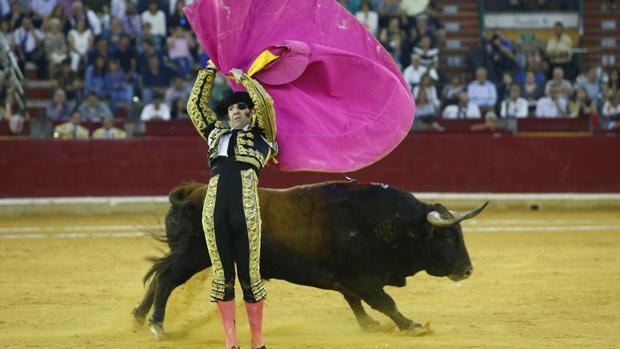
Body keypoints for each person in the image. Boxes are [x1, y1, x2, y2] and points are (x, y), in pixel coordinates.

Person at [187, 65, 277, 349]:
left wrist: (243, 79)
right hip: (214, 207)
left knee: (250, 277)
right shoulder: (215, 133)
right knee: (222, 276)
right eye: (232, 109)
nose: (236, 112)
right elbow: (195, 106)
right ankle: (231, 342)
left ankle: (257, 340)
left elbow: (264, 101)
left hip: (246, 209)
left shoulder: (264, 134)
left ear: (251, 114)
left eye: (242, 108)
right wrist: (209, 69)